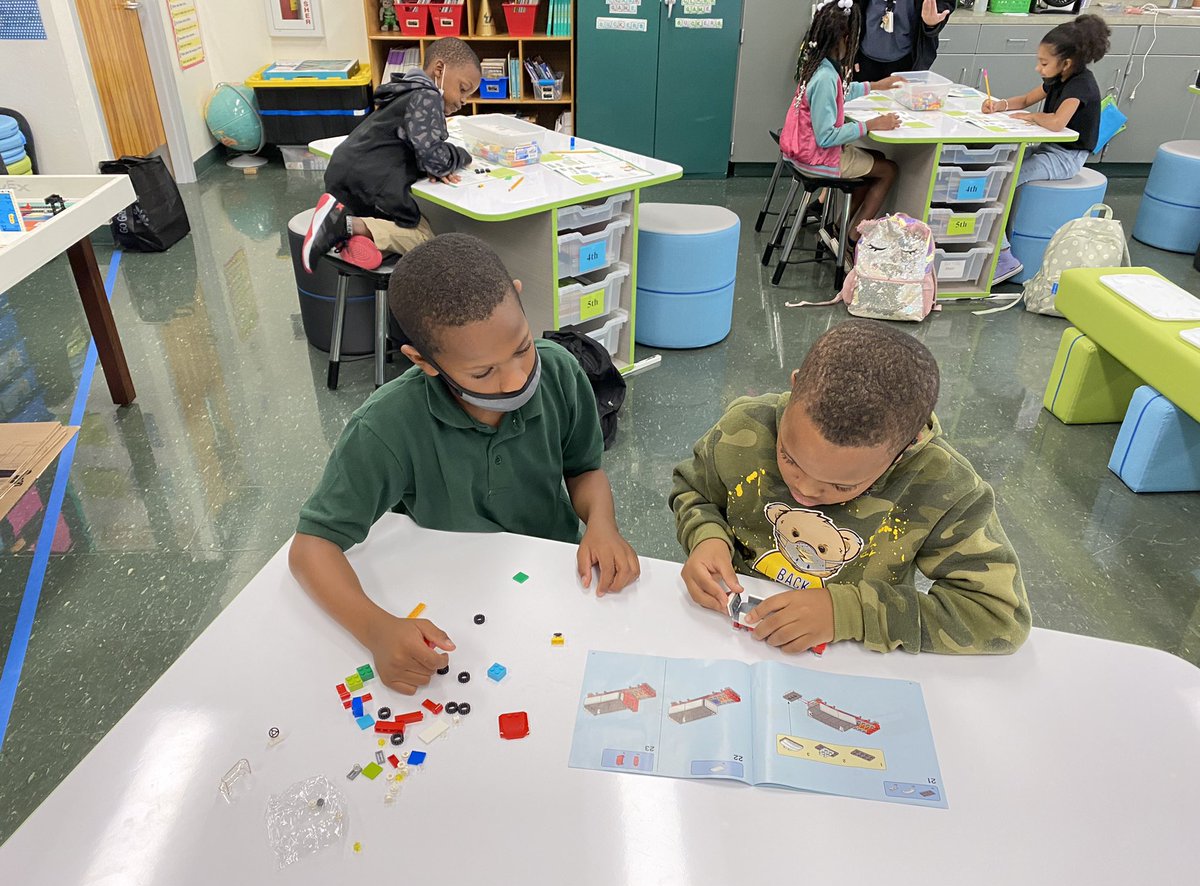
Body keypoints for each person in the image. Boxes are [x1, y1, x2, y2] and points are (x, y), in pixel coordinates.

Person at [290, 234, 641, 692]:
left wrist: (602, 524)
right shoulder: (386, 425)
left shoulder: (559, 371)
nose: (516, 380)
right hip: (450, 596)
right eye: (482, 373)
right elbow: (312, 547)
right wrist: (376, 629)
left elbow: (584, 470)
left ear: (518, 296)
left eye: (522, 348)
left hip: (554, 575)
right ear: (423, 361)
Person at [670, 320, 1031, 655]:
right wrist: (706, 536)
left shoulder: (944, 487)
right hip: (726, 637)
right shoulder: (743, 426)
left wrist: (848, 614)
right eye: (789, 458)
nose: (804, 491)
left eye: (842, 485)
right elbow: (695, 490)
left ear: (906, 446)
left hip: (848, 659)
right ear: (794, 388)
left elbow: (999, 617)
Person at [300, 38, 481, 274]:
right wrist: (462, 156)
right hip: (370, 184)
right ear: (439, 70)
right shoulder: (427, 96)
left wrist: (429, 162)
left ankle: (357, 239)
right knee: (425, 239)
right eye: (463, 89)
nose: (463, 100)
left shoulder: (406, 90)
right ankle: (344, 225)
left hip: (346, 176)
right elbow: (434, 158)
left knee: (412, 226)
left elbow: (415, 146)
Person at [983, 14, 1111, 283]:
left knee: (1004, 181)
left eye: (1043, 63)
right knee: (999, 167)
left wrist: (1031, 117)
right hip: (1050, 149)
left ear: (1066, 63)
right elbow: (1026, 99)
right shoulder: (1058, 77)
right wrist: (999, 105)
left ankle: (1004, 257)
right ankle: (991, 242)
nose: (1038, 68)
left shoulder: (1081, 85)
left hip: (1067, 158)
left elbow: (1056, 122)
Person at [783, 0, 904, 243]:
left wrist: (875, 86)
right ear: (846, 39)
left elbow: (839, 93)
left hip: (803, 150)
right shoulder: (826, 77)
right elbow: (826, 136)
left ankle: (838, 229)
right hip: (816, 158)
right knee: (889, 170)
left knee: (876, 159)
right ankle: (850, 238)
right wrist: (870, 125)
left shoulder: (818, 66)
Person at [853, 0, 954, 83]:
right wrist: (851, 55)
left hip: (908, 60)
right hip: (862, 59)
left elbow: (943, 5)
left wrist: (931, 24)